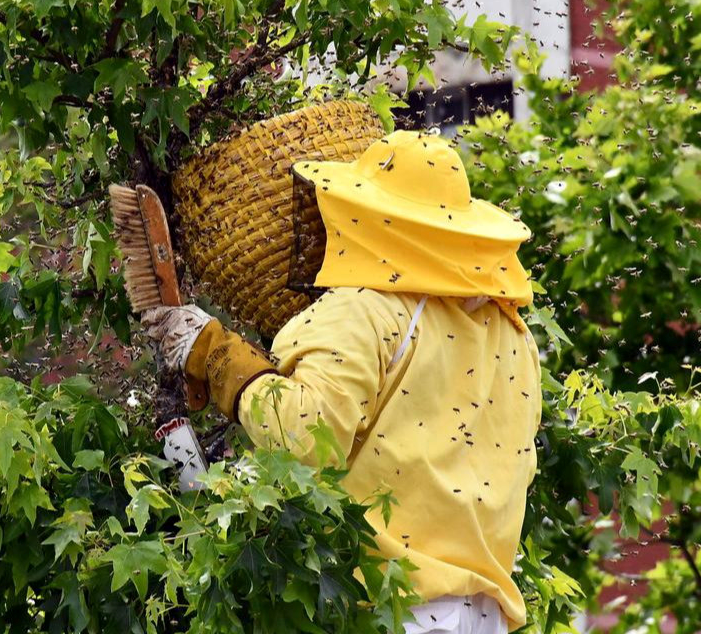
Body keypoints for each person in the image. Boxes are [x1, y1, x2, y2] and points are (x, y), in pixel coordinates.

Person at [141, 130, 540, 634]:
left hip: (388, 610)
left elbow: (307, 438)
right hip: (484, 617)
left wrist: (216, 354)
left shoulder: (366, 310)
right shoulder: (511, 333)